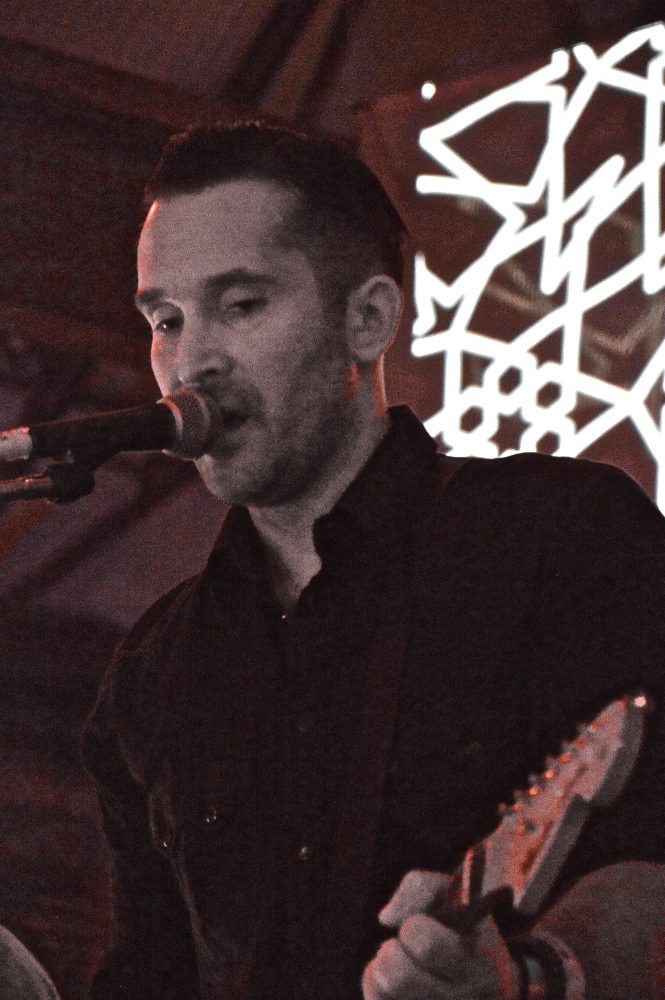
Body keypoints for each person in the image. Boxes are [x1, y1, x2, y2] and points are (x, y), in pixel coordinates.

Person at [81, 120, 665, 1000]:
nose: (190, 361)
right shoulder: (152, 672)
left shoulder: (560, 536)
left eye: (241, 306)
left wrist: (536, 977)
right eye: (166, 320)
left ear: (368, 318)